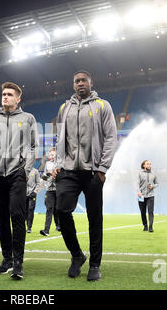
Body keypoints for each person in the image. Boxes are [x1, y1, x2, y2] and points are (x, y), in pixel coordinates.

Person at [52, 70, 117, 281]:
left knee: (94, 219)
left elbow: (111, 138)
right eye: (76, 81)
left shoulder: (102, 105)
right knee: (61, 211)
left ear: (90, 82)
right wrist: (57, 163)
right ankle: (77, 255)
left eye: (83, 80)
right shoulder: (65, 108)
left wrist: (102, 169)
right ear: (73, 85)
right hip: (68, 171)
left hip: (93, 172)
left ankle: (95, 265)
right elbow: (59, 138)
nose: (80, 83)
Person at [0, 81, 38, 280]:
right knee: (1, 218)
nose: (5, 96)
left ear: (18, 98)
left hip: (17, 174)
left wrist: (26, 170)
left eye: (9, 94)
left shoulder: (28, 118)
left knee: (17, 216)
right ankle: (6, 258)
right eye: (3, 93)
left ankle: (18, 262)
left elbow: (33, 146)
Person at [40, 149, 60, 236]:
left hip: (59, 189)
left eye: (53, 155)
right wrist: (47, 175)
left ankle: (60, 227)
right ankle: (46, 230)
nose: (51, 156)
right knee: (49, 209)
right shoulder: (47, 164)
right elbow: (43, 177)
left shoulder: (60, 164)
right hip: (49, 190)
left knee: (59, 210)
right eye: (50, 155)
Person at [137, 160, 158, 233]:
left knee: (150, 211)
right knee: (142, 212)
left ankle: (151, 226)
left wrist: (153, 186)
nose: (149, 165)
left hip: (150, 196)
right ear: (144, 165)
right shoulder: (139, 174)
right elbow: (137, 184)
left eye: (150, 164)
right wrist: (139, 192)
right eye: (147, 164)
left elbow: (157, 183)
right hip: (141, 196)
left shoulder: (154, 173)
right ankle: (145, 225)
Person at [25, 167, 41, 233]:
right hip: (24, 194)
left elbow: (38, 183)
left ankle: (29, 227)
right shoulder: (23, 170)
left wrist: (35, 191)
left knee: (31, 209)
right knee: (25, 210)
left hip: (32, 194)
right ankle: (26, 224)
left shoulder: (35, 171)